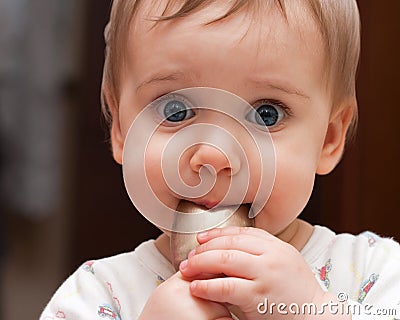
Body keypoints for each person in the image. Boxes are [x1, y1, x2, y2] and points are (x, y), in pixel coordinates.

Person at [40, 1, 400, 319]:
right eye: (176, 110)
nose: (214, 155)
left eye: (266, 114)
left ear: (328, 138)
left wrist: (312, 311)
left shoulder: (375, 272)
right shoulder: (96, 296)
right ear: (120, 128)